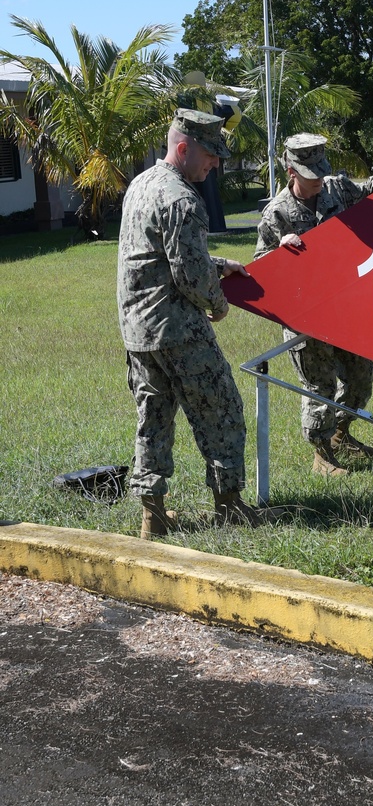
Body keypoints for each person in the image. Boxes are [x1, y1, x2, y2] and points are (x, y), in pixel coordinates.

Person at [118, 108, 272, 538]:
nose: (216, 163)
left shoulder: (142, 184)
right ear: (183, 148)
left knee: (153, 419)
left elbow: (152, 254)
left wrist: (219, 264)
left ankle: (153, 515)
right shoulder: (183, 198)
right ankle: (229, 507)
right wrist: (217, 300)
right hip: (179, 329)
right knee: (221, 410)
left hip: (139, 331)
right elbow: (188, 274)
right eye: (210, 154)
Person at [255, 134, 373, 477]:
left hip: (346, 309)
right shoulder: (277, 214)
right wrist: (279, 251)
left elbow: (369, 189)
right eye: (309, 175)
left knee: (361, 378)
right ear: (290, 171)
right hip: (305, 316)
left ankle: (341, 433)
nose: (317, 181)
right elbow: (260, 268)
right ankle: (322, 454)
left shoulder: (336, 189)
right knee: (319, 386)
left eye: (320, 171)